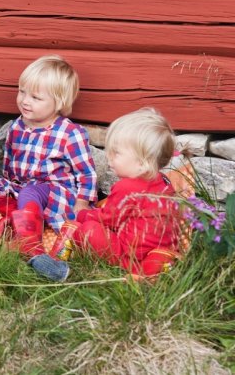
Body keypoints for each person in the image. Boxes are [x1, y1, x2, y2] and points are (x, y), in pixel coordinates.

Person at [34, 108, 181, 280]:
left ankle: (58, 257)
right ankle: (153, 270)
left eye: (116, 153)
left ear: (142, 163)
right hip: (155, 250)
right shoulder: (163, 182)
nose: (109, 157)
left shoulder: (127, 187)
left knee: (88, 229)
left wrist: (83, 215)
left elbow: (107, 219)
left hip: (128, 255)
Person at [0, 55, 97, 258]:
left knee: (30, 194)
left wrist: (83, 202)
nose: (25, 101)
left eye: (36, 98)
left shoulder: (69, 133)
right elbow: (9, 162)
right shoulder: (17, 126)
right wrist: (5, 185)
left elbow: (86, 173)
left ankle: (29, 242)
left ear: (58, 102)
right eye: (22, 92)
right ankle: (10, 223)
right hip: (22, 187)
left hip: (54, 192)